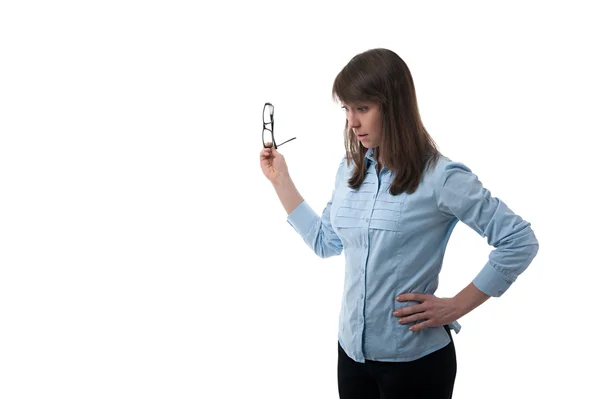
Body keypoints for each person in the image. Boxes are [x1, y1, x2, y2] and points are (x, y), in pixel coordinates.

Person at [258, 48, 539, 399]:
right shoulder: (349, 172)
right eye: (347, 108)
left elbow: (519, 240)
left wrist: (457, 305)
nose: (352, 122)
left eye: (363, 108)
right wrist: (280, 180)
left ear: (393, 106)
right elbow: (325, 242)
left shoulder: (442, 178)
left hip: (416, 366)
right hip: (351, 357)